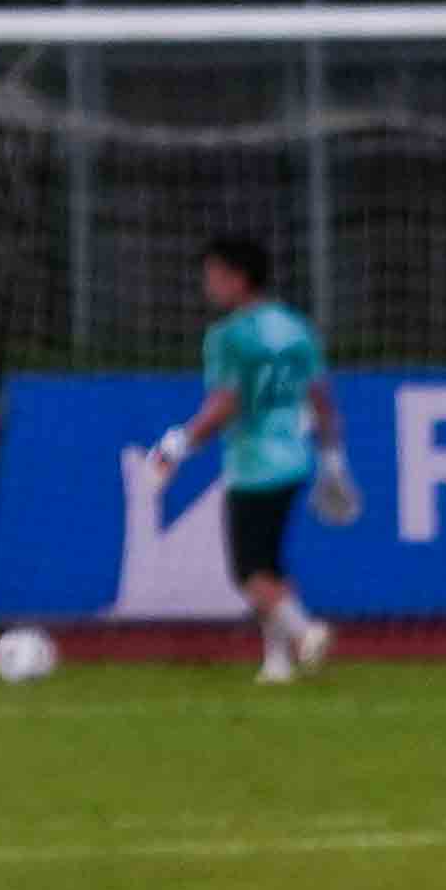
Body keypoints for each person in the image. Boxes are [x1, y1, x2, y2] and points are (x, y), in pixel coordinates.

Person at [137, 230, 337, 682]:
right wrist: (333, 463)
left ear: (239, 279)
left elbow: (224, 405)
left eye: (215, 276)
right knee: (270, 564)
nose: (208, 285)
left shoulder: (229, 335)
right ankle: (277, 662)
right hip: (294, 458)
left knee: (249, 573)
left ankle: (305, 633)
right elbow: (321, 401)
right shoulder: (295, 327)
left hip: (254, 464)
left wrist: (176, 446)